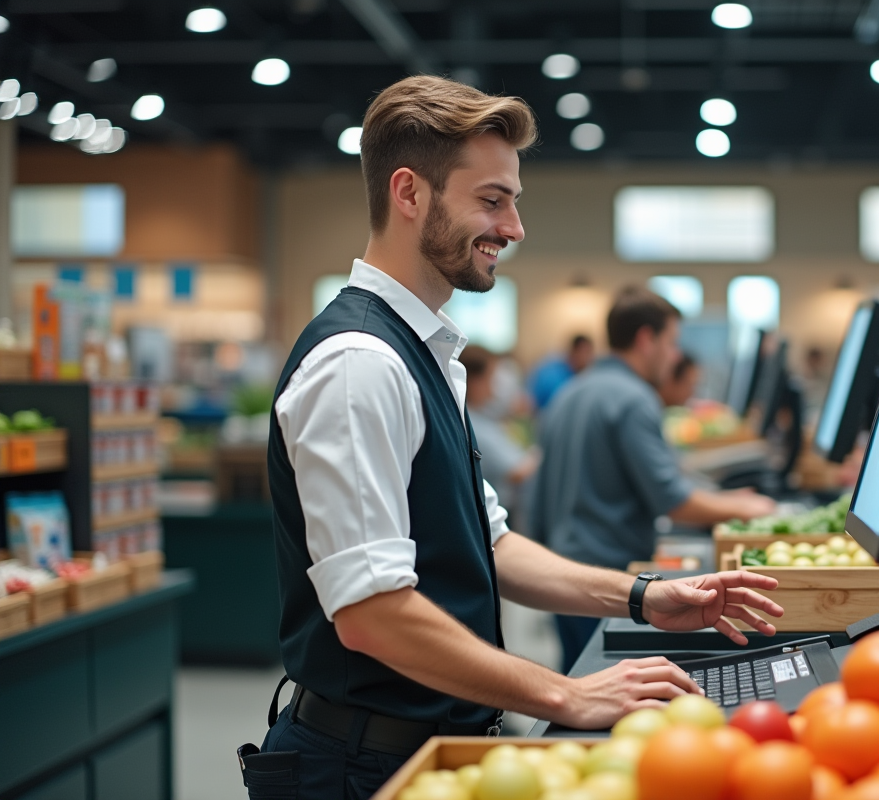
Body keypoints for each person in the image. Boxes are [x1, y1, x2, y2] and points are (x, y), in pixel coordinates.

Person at [243, 76, 784, 799]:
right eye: (491, 200)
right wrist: (565, 695)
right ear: (409, 193)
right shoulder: (358, 365)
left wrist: (643, 596)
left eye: (513, 201)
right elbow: (372, 617)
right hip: (358, 766)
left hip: (423, 746)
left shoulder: (422, 352)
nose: (515, 227)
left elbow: (488, 545)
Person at [530, 287, 780, 671]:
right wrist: (746, 506)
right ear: (647, 339)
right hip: (609, 575)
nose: (675, 354)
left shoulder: (572, 390)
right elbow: (673, 500)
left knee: (578, 677)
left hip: (563, 574)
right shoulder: (633, 397)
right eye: (672, 341)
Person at [460, 344, 540, 526]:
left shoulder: (483, 416)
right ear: (473, 381)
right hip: (490, 518)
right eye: (490, 378)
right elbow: (518, 471)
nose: (494, 387)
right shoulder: (472, 424)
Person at [528, 334, 594, 410]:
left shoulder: (577, 375)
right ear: (574, 351)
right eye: (586, 353)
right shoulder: (554, 377)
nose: (589, 359)